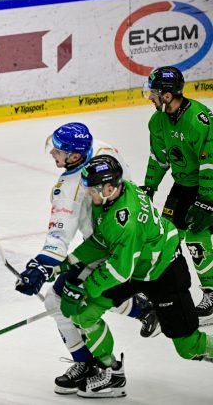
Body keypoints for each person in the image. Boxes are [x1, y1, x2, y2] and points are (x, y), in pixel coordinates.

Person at [51, 155, 212, 398]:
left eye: (90, 188)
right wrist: (68, 263)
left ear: (108, 188)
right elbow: (102, 241)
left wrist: (82, 288)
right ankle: (111, 373)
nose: (86, 192)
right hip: (135, 266)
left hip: (164, 271)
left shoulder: (125, 219)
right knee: (84, 313)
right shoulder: (108, 200)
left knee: (188, 347)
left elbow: (118, 271)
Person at [15, 123, 159, 395]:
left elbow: (59, 238)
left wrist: (40, 267)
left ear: (76, 156)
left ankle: (100, 366)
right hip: (126, 238)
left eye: (58, 152)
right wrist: (44, 266)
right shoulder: (106, 151)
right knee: (72, 298)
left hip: (108, 248)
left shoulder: (69, 189)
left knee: (62, 300)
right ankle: (139, 310)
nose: (53, 156)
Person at [141, 66, 213, 326]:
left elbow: (210, 165)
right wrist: (149, 187)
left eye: (155, 93)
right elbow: (159, 159)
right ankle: (162, 288)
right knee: (165, 236)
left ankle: (212, 293)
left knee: (196, 237)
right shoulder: (157, 121)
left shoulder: (199, 120)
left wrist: (206, 202)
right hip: (182, 186)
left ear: (169, 95)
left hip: (209, 188)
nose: (150, 97)